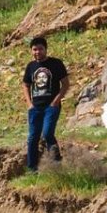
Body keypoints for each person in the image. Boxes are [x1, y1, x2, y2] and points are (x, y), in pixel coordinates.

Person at [21, 37, 70, 171]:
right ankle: (32, 169)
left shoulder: (56, 63)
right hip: (35, 107)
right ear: (31, 51)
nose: (37, 52)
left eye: (40, 49)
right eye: (35, 49)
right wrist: (29, 104)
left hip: (51, 107)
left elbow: (65, 84)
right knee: (32, 138)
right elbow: (25, 85)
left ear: (46, 49)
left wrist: (56, 101)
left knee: (48, 133)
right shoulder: (31, 66)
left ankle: (56, 163)